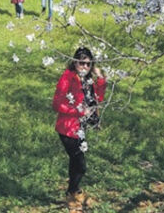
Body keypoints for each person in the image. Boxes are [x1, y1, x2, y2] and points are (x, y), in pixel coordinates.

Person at [52, 47, 106, 212]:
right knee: (80, 165)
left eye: (88, 64)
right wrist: (78, 111)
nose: (84, 67)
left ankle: (74, 191)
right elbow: (56, 104)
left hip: (79, 127)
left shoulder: (87, 80)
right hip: (67, 128)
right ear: (75, 62)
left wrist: (101, 79)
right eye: (81, 63)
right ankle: (72, 192)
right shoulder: (68, 78)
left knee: (75, 161)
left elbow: (97, 99)